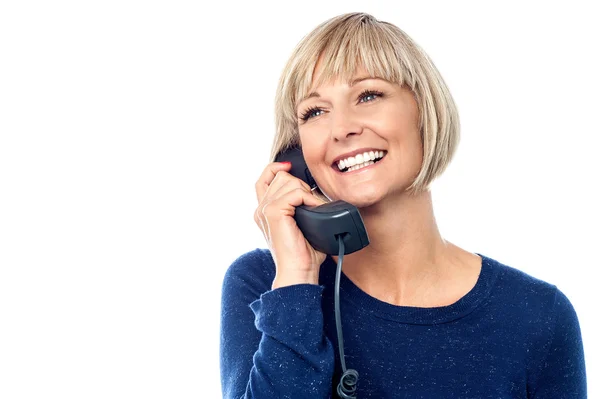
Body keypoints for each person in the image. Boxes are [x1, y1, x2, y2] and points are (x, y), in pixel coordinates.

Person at [219, 12, 587, 398]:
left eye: (368, 95)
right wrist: (295, 279)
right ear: (295, 156)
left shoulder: (538, 316)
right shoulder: (266, 285)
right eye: (315, 112)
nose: (342, 128)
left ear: (424, 112)